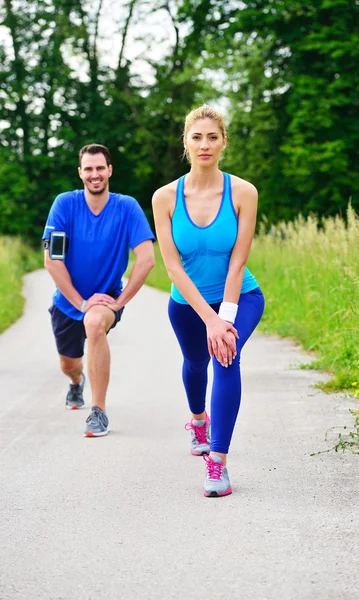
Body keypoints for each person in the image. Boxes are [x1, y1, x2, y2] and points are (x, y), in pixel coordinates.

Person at [152, 105, 265, 497]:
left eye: (212, 137)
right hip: (186, 304)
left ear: (223, 143)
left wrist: (224, 321)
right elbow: (173, 269)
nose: (204, 144)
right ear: (185, 142)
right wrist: (208, 320)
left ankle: (217, 463)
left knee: (225, 355)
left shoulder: (243, 192)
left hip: (240, 297)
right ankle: (199, 420)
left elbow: (238, 261)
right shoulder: (165, 198)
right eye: (196, 137)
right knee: (195, 362)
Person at [43, 143, 155, 437]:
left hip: (105, 300)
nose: (95, 174)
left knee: (94, 323)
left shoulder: (127, 207)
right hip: (69, 301)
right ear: (80, 173)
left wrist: (118, 302)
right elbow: (52, 262)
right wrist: (80, 302)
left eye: (100, 168)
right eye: (88, 169)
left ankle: (98, 412)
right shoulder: (64, 205)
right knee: (68, 363)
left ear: (109, 170)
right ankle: (76, 382)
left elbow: (146, 260)